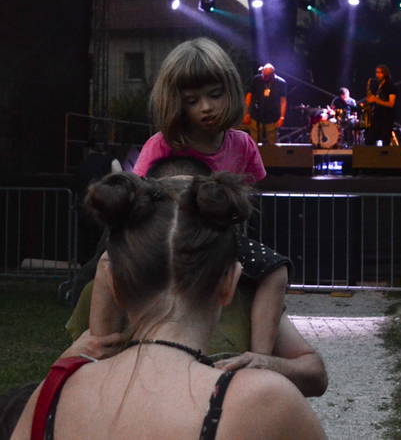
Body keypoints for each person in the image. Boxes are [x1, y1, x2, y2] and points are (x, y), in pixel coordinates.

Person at [11, 172, 325, 440]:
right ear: (228, 283)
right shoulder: (262, 401)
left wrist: (66, 368)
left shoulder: (51, 397)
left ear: (115, 284)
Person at [85, 158, 326, 396]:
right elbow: (87, 360)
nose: (179, 219)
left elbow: (315, 374)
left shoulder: (250, 287)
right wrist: (80, 357)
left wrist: (267, 364)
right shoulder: (117, 279)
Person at [132, 37, 266, 183]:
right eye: (192, 101)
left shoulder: (243, 145)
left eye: (215, 95)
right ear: (176, 103)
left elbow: (254, 193)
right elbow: (139, 192)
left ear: (231, 91)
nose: (206, 107)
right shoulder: (161, 145)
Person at [244, 63, 288, 145]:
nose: (263, 77)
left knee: (272, 144)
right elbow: (249, 96)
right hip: (256, 116)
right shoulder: (256, 80)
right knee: (254, 143)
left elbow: (283, 101)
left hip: (272, 118)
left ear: (272, 75)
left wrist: (282, 117)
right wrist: (246, 113)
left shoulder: (281, 83)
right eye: (262, 74)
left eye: (266, 76)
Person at [363, 64, 397, 146]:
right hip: (377, 118)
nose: (377, 75)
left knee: (385, 142)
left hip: (386, 119)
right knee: (369, 139)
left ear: (385, 74)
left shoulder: (390, 86)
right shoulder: (380, 86)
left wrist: (376, 100)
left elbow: (391, 104)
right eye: (376, 72)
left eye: (379, 73)